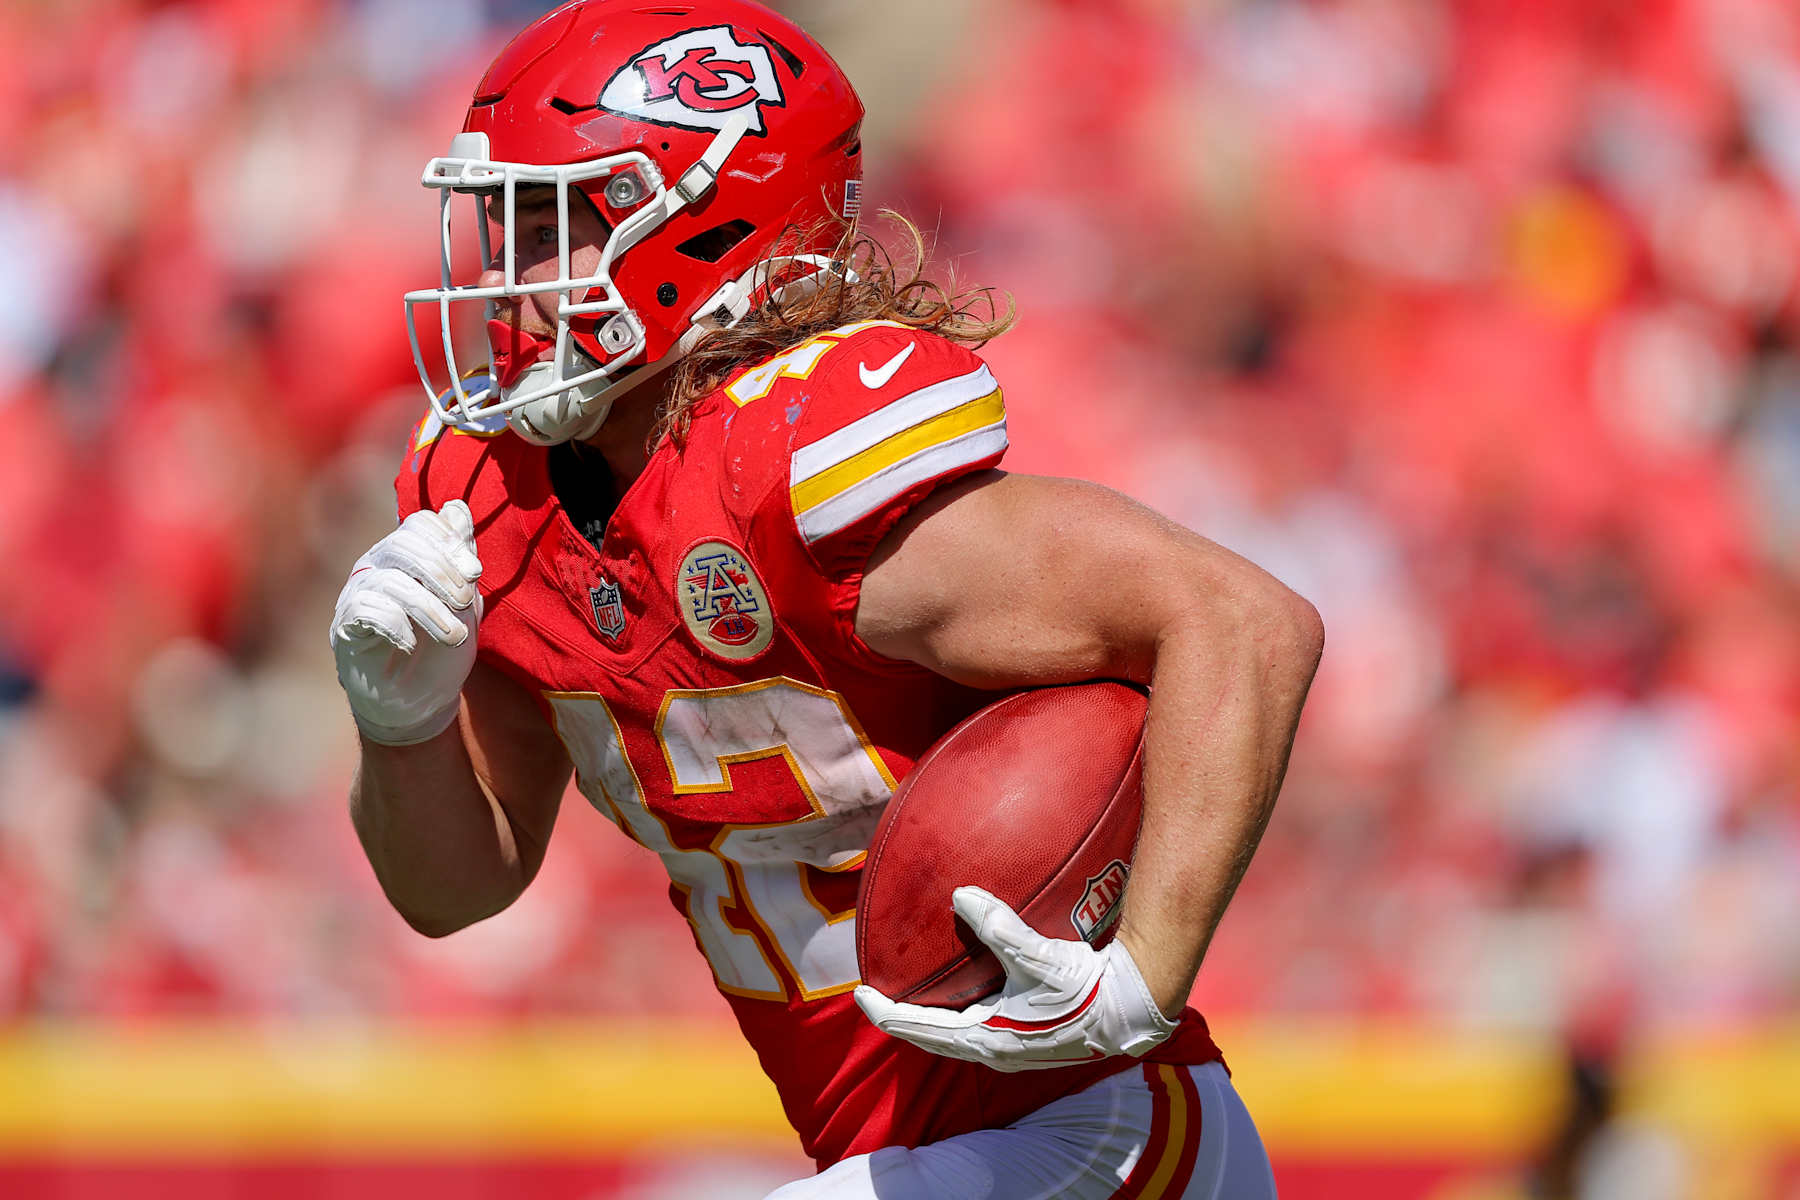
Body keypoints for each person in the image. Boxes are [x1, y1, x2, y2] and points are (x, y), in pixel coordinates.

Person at [330, 2, 1322, 1195]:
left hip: (1106, 1133)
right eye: (503, 228)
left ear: (704, 229)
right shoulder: (498, 496)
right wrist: (399, 724)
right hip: (908, 1156)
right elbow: (453, 888)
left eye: (554, 228)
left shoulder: (791, 469)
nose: (508, 280)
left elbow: (1241, 620)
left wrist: (1142, 978)